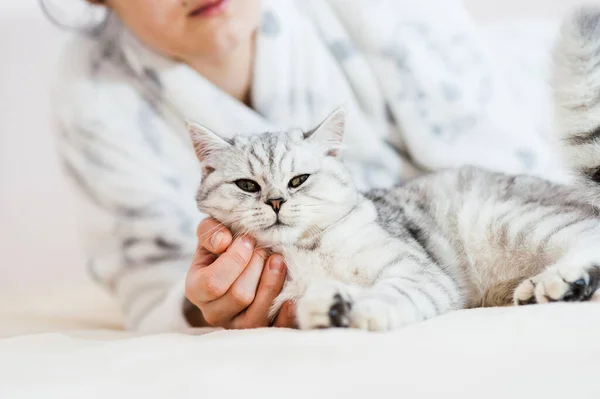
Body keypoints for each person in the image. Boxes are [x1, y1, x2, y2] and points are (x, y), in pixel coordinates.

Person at [48, 0, 566, 332]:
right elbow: (148, 284)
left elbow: (499, 188)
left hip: (547, 99)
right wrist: (207, 302)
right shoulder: (94, 91)